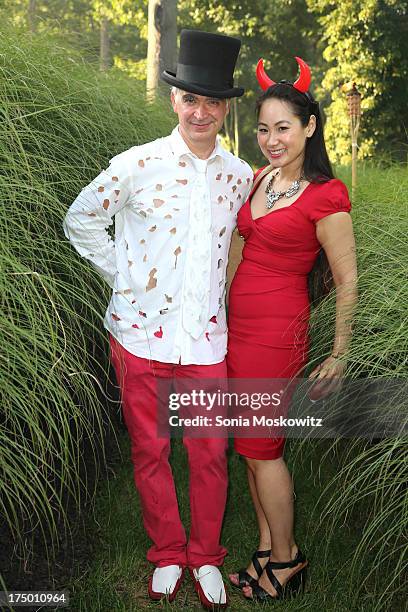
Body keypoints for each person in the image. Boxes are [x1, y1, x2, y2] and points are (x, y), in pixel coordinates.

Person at [63, 29, 252, 609]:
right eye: (190, 99)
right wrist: (125, 277)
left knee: (208, 453)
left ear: (224, 107)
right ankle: (169, 553)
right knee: (149, 450)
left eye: (212, 101)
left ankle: (206, 557)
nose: (201, 111)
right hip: (138, 335)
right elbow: (81, 219)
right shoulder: (136, 164)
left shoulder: (239, 176)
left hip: (204, 342)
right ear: (175, 100)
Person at [227, 57, 357, 601]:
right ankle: (264, 549)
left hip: (277, 333)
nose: (271, 139)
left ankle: (287, 559)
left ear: (309, 126)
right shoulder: (259, 178)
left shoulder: (326, 195)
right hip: (235, 329)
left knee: (264, 447)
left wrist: (339, 353)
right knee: (249, 446)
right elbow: (237, 249)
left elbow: (348, 280)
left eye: (283, 127)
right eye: (263, 128)